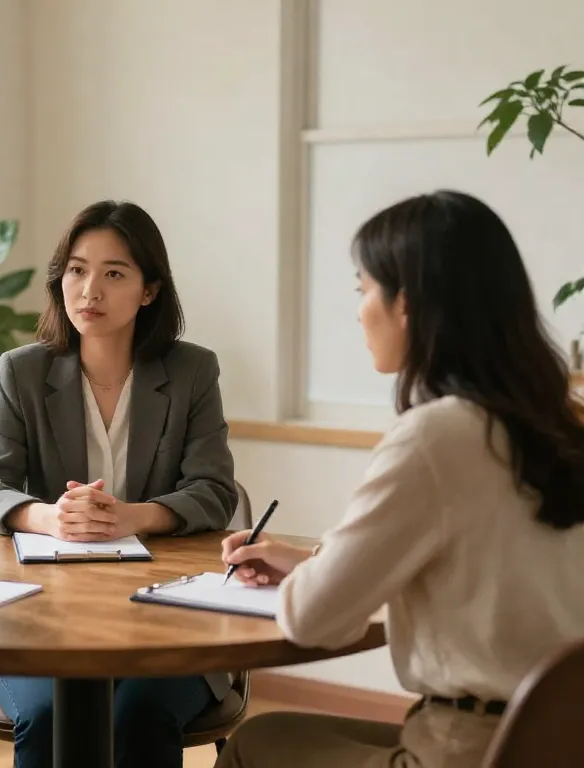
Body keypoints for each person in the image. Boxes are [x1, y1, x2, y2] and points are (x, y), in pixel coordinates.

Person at [215, 190, 584, 768]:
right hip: (555, 742)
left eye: (363, 290)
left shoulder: (435, 436)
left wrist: (314, 579)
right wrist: (310, 562)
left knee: (256, 744)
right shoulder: (557, 422)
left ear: (405, 304)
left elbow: (314, 620)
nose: (360, 310)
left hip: (468, 750)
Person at [0, 200, 238, 768]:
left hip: (166, 622)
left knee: (139, 715)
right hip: (39, 623)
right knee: (49, 717)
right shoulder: (22, 371)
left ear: (149, 291)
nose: (90, 289)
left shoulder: (192, 372)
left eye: (114, 273)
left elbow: (214, 490)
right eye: (77, 270)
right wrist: (50, 516)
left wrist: (133, 515)